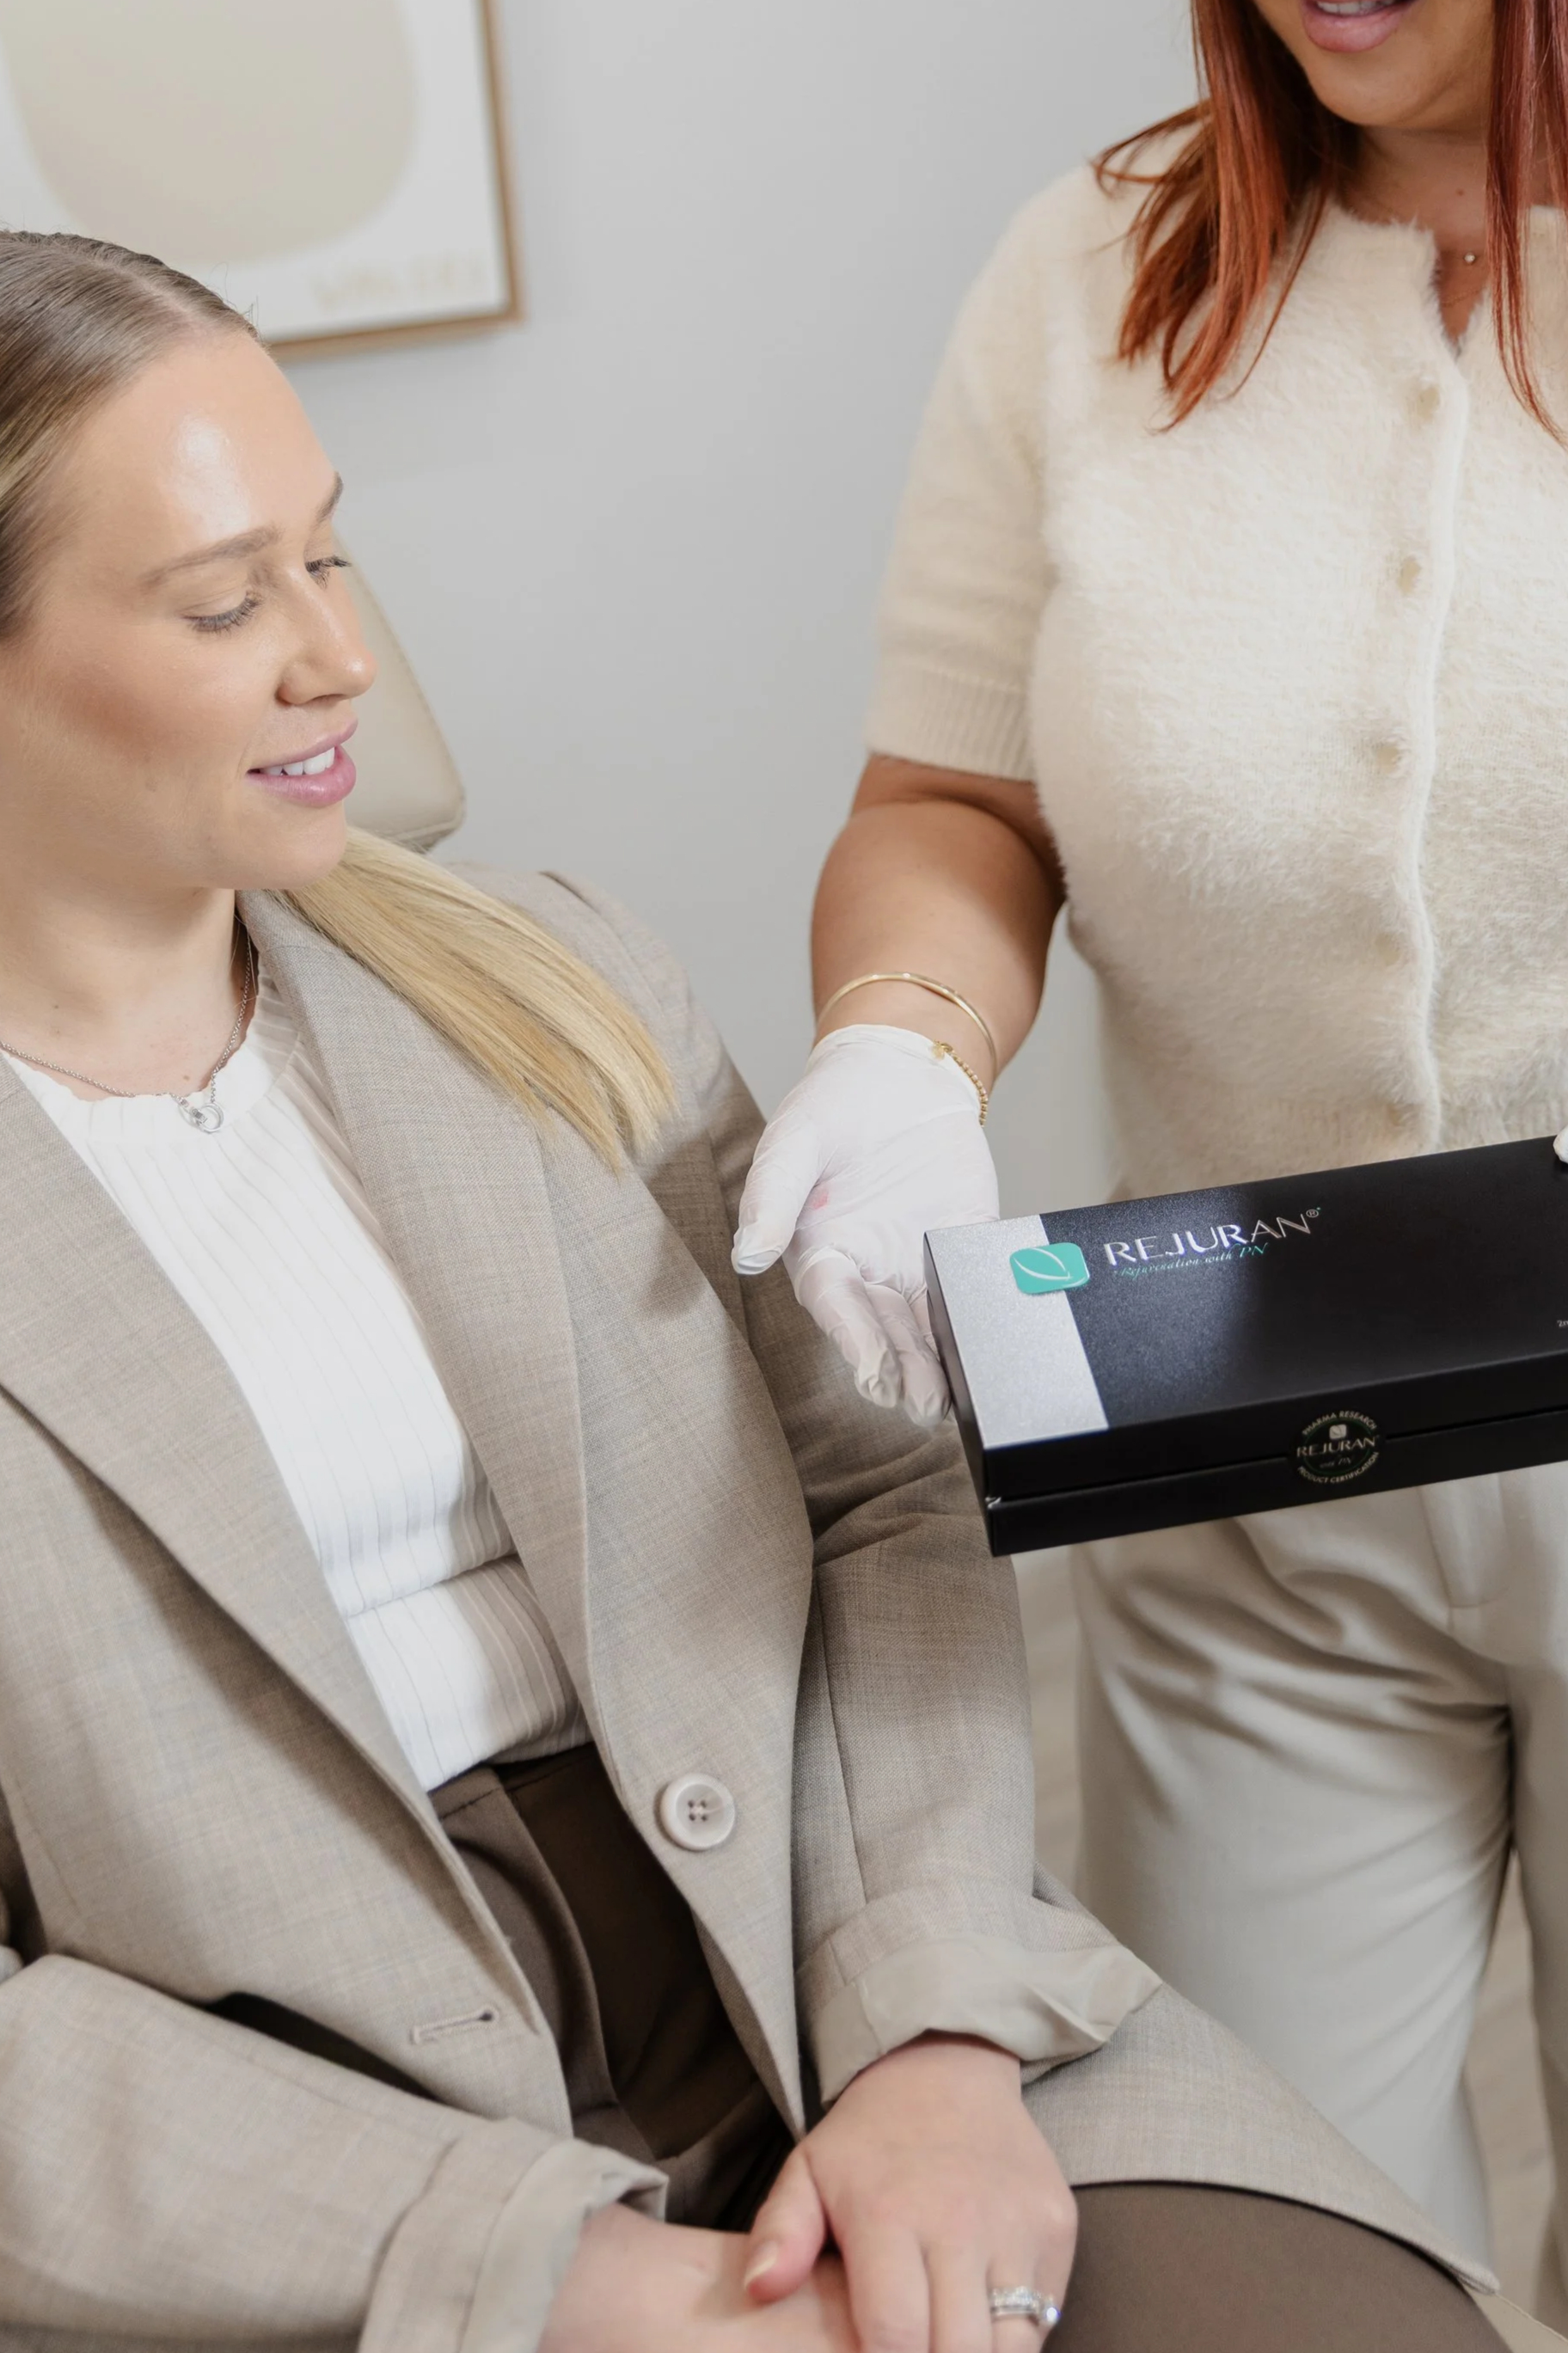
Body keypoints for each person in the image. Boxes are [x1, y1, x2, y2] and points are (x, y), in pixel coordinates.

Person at [0, 231, 1510, 2353]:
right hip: (283, 2131)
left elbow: (879, 1500)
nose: (337, 657)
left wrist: (924, 2030)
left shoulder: (552, 988)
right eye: (226, 599)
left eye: (334, 561)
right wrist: (541, 2274)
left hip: (810, 1932)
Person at [733, 0, 1568, 2315]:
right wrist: (902, 1051)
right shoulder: (1099, 279)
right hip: (1254, 1511)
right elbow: (955, 803)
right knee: (1277, 2270)